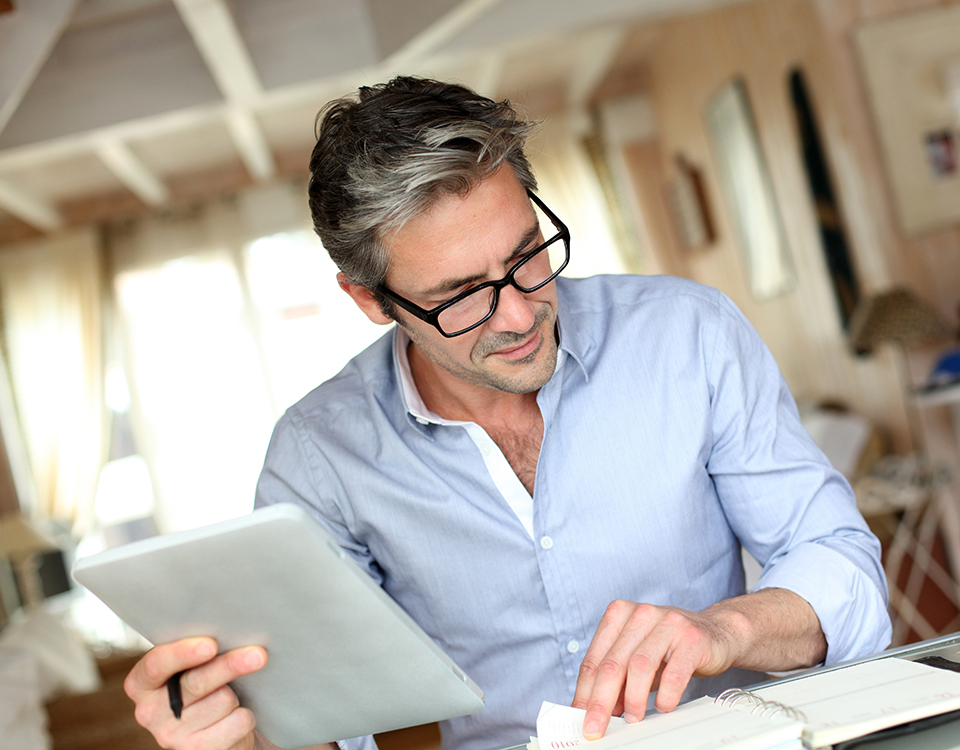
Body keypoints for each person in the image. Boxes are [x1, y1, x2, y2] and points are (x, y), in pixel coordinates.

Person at [123, 76, 892, 750]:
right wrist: (247, 738)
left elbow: (837, 559)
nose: (521, 315)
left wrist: (728, 629)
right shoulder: (319, 457)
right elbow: (329, 721)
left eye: (527, 253)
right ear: (368, 300)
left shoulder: (689, 334)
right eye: (459, 296)